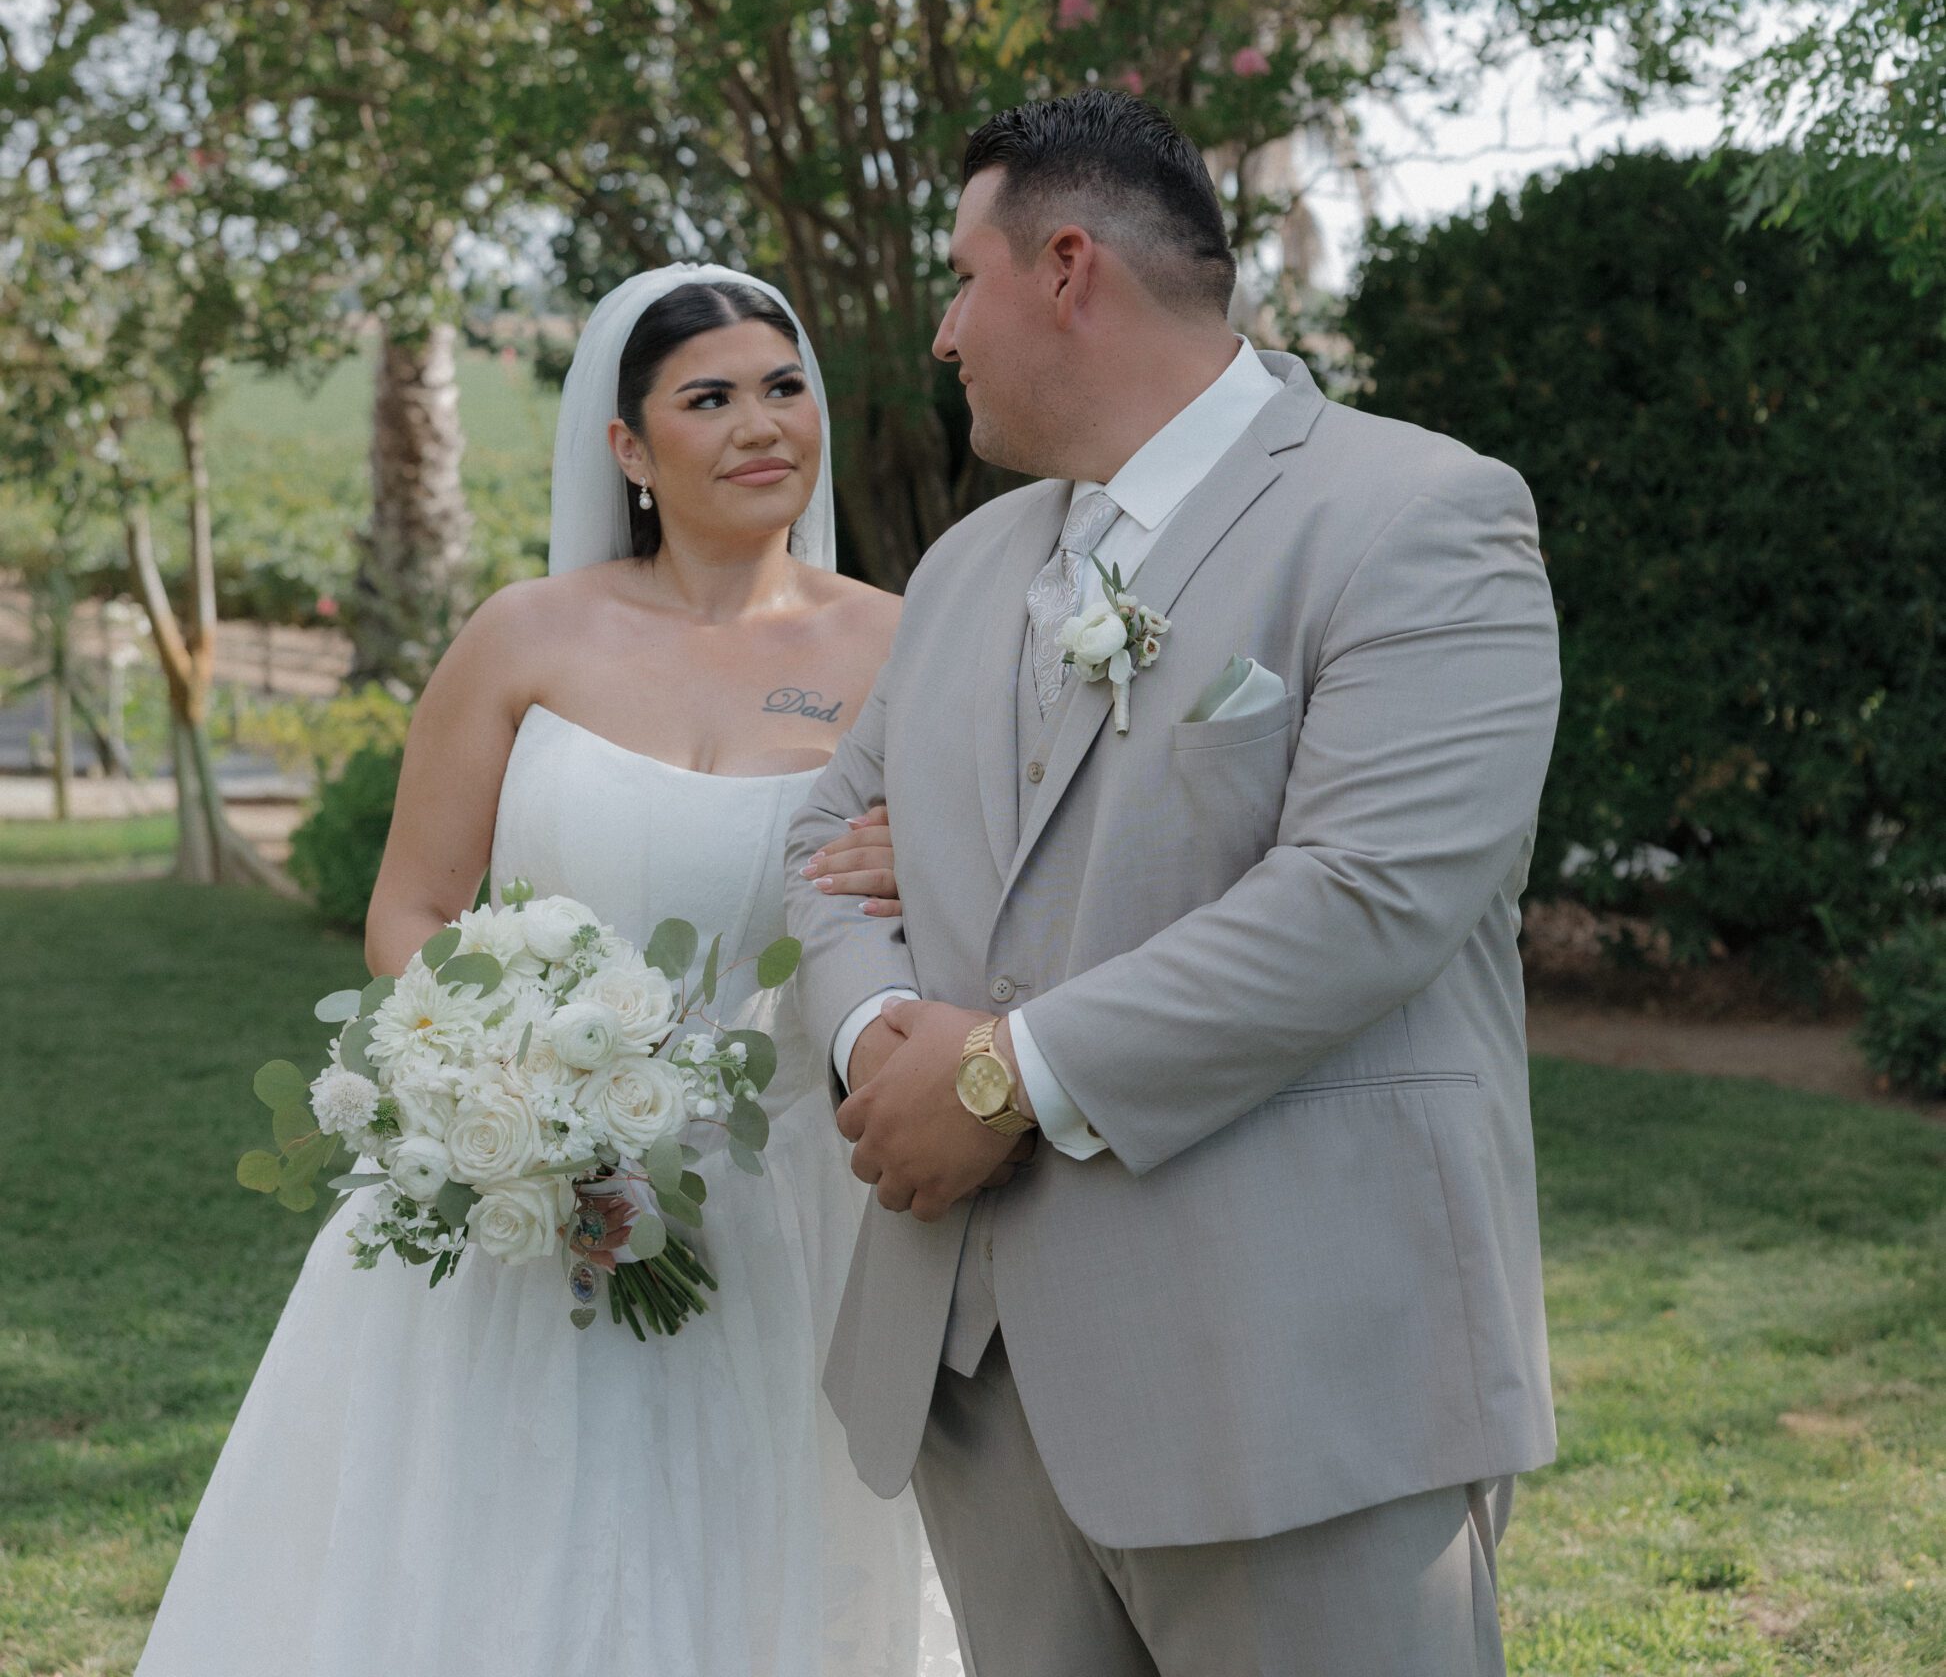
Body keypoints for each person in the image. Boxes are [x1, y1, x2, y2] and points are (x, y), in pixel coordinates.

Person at [785, 90, 1563, 1677]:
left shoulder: (1416, 515)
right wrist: (876, 1034)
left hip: (1294, 1378)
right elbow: (827, 844)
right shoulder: (961, 569)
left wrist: (998, 1075)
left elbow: (1363, 895)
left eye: (959, 277)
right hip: (982, 1381)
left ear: (1065, 268)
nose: (941, 332)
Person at [136, 266, 962, 1677]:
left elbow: (971, 895)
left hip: (792, 1199)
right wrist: (511, 1109)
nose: (762, 425)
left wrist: (932, 869)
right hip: (526, 1199)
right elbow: (412, 910)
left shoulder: (902, 646)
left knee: (770, 1551)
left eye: (783, 389)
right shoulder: (521, 638)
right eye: (709, 398)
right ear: (629, 449)